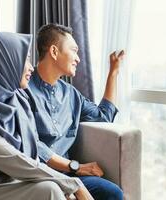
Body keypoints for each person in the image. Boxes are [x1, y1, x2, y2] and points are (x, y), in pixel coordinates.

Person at [0, 32, 94, 200]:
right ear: (3, 64)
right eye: (25, 60)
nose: (31, 67)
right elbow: (13, 160)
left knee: (53, 188)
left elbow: (32, 149)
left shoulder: (16, 101)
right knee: (51, 190)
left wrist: (67, 188)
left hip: (8, 182)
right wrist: (74, 184)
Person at [29, 23, 124, 200]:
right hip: (36, 175)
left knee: (113, 193)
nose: (78, 59)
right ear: (54, 52)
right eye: (74, 50)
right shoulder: (24, 90)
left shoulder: (71, 94)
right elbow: (30, 144)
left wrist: (113, 72)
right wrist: (77, 167)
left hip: (68, 174)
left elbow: (102, 117)